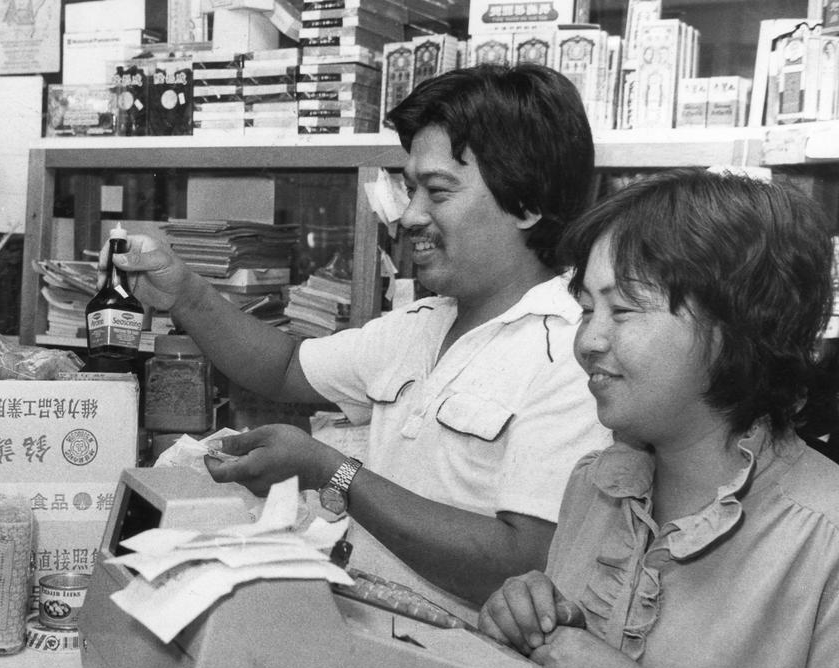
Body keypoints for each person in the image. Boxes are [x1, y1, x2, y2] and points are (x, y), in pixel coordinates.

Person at [110, 64, 610, 606]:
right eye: (410, 188)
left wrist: (333, 470)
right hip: (361, 624)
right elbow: (282, 366)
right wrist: (183, 291)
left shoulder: (575, 351)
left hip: (465, 659)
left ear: (526, 203)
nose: (411, 215)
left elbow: (522, 565)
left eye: (438, 192)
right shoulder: (425, 324)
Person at [477, 168, 839, 668]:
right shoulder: (595, 483)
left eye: (622, 310)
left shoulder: (825, 538)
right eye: (586, 310)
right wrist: (526, 621)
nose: (588, 342)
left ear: (737, 323)